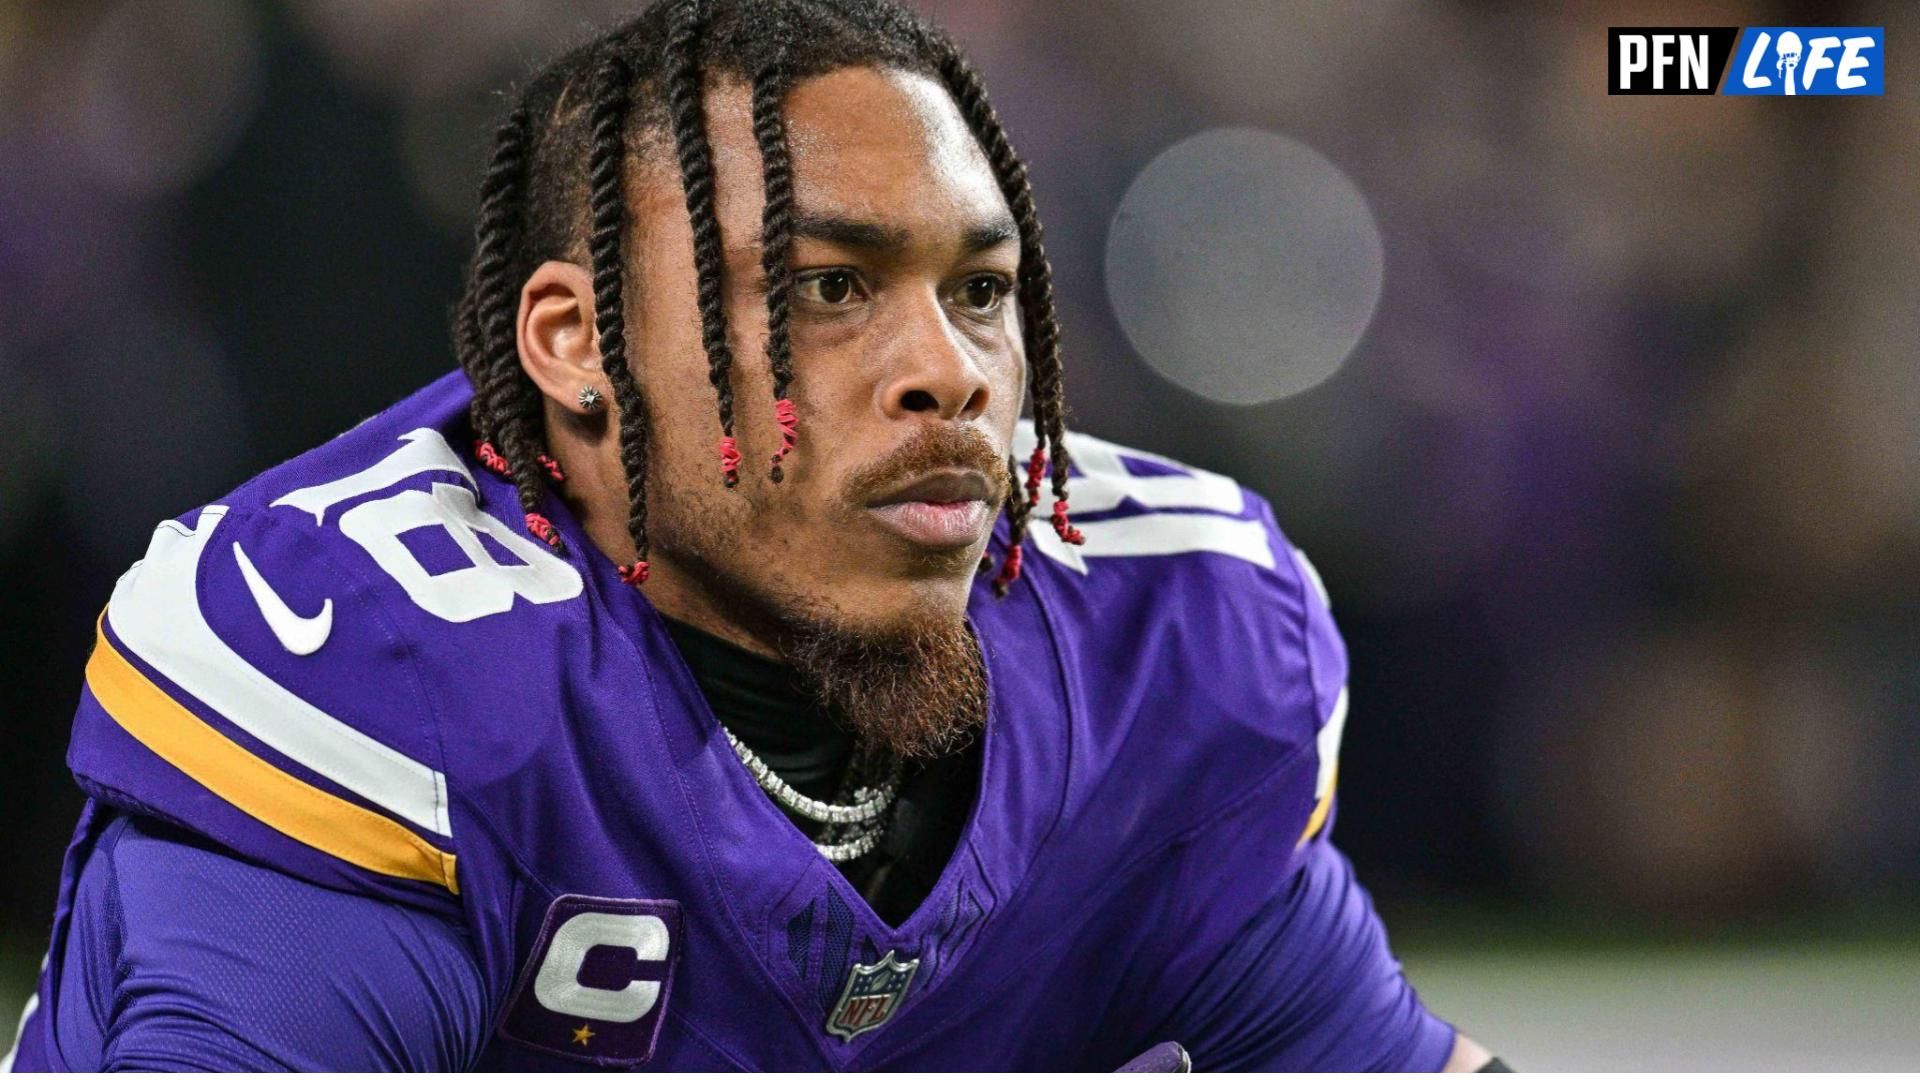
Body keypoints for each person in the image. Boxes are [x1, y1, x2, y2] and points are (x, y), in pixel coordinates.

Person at [5, 0, 1503, 1069]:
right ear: (579, 346)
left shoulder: (1160, 642)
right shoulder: (380, 667)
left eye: (979, 291)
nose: (950, 371)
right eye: (827, 289)